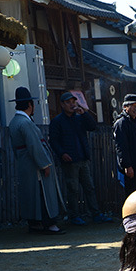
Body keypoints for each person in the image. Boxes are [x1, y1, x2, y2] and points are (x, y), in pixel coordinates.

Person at [49, 91, 111, 226]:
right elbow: (53, 141)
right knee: (73, 189)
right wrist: (62, 153)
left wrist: (84, 113)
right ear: (62, 104)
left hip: (82, 158)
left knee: (90, 187)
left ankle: (95, 214)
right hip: (69, 160)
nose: (72, 104)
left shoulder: (79, 118)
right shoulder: (57, 121)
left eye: (73, 102)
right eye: (68, 102)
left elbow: (92, 127)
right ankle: (74, 216)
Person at [9, 86, 65, 235]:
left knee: (30, 194)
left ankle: (34, 224)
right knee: (42, 194)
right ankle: (49, 224)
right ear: (29, 105)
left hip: (25, 162)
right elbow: (34, 145)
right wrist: (44, 164)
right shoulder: (25, 123)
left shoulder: (15, 122)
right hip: (35, 165)